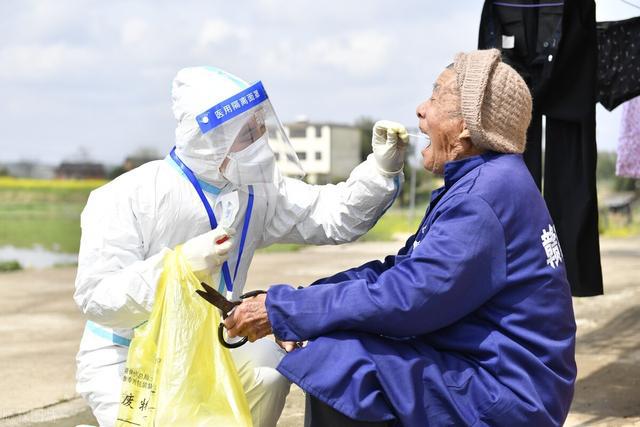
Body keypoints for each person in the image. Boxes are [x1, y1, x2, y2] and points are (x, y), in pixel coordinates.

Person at [224, 49, 577, 426]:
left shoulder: (483, 197)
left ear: (465, 127)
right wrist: (297, 305)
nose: (420, 109)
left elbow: (408, 298)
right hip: (504, 377)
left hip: (505, 394)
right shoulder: (489, 181)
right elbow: (400, 271)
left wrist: (288, 311)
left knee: (339, 360)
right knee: (336, 334)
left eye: (436, 96)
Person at [73, 66, 408, 427]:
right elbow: (97, 299)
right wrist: (180, 265)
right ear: (211, 138)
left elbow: (330, 215)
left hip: (211, 345)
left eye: (261, 125)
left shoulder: (254, 191)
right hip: (128, 354)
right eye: (248, 131)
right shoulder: (126, 197)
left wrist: (380, 173)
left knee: (270, 371)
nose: (261, 138)